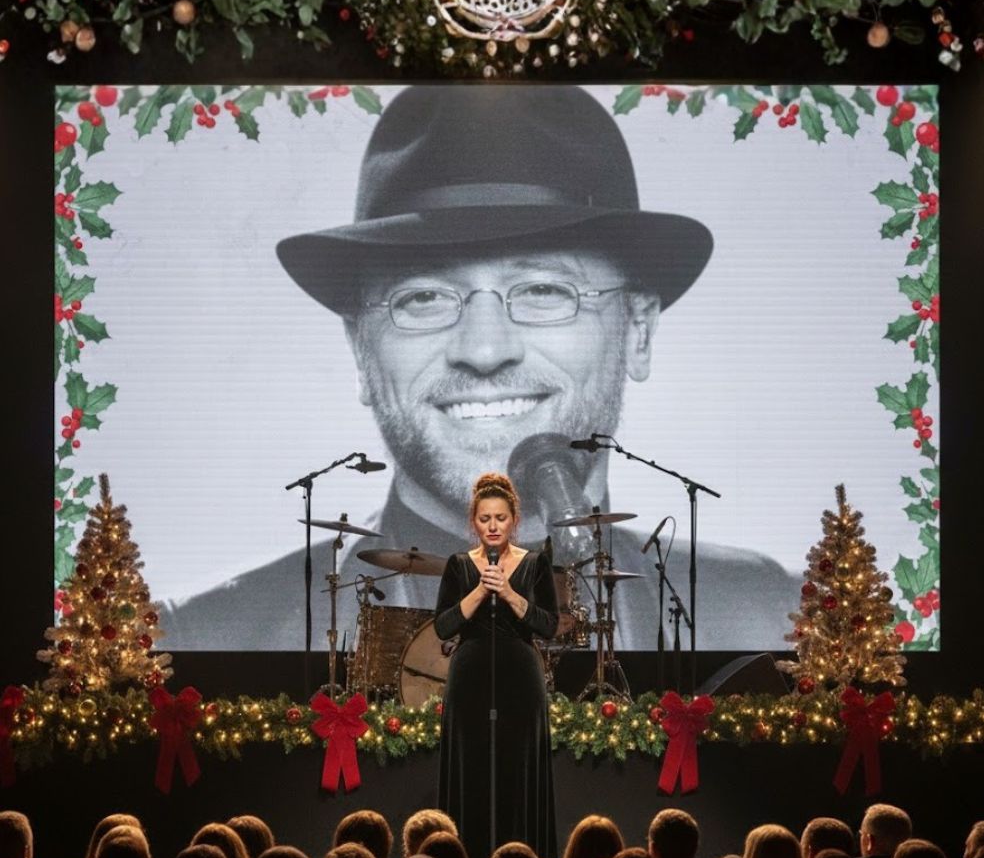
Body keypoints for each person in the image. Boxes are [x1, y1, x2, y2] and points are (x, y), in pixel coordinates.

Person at [158, 85, 799, 654]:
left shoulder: (777, 625)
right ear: (360, 352)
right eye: (422, 297)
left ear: (638, 331)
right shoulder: (200, 646)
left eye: (545, 290)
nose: (485, 349)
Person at [433, 472, 558, 858]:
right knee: (471, 770)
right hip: (469, 678)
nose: (492, 526)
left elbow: (549, 625)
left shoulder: (535, 564)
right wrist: (479, 591)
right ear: (474, 521)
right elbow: (443, 627)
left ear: (513, 520)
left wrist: (507, 592)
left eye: (500, 518)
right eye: (485, 518)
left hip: (520, 678)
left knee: (517, 770)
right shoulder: (458, 565)